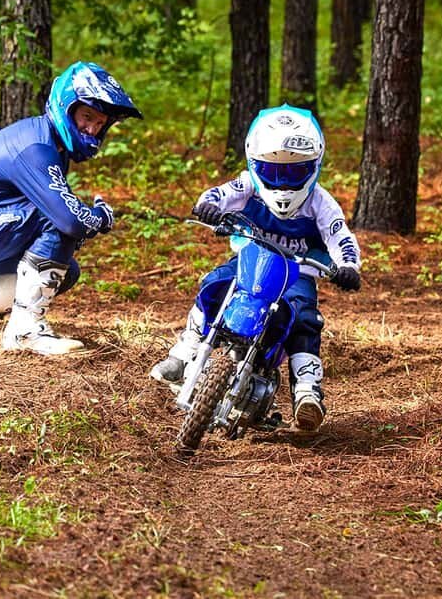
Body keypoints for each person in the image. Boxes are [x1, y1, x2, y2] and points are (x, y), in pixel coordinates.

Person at [149, 105, 361, 431]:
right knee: (214, 285)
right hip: (250, 260)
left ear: (314, 166)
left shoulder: (321, 202)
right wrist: (208, 206)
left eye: (294, 172)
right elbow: (220, 194)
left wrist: (348, 266)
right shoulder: (247, 184)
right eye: (272, 171)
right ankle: (183, 353)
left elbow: (340, 237)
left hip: (298, 273)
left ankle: (307, 390)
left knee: (304, 317)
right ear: (254, 163)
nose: (282, 182)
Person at [0, 62, 142, 355]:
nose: (91, 129)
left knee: (65, 270)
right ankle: (25, 332)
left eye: (100, 123)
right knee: (58, 222)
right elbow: (69, 220)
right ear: (67, 107)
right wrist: (100, 216)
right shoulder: (37, 147)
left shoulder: (50, 144)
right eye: (87, 117)